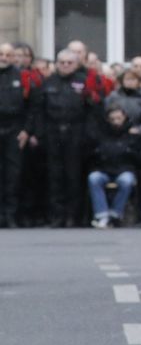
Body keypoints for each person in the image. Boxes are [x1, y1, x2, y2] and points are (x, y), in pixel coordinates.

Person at [33, 49, 97, 227]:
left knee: (73, 176)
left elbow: (91, 111)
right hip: (53, 131)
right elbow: (39, 111)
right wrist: (40, 134)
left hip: (75, 132)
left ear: (76, 64)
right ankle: (56, 215)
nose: (66, 66)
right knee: (55, 176)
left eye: (70, 62)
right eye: (62, 62)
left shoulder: (83, 82)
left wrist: (88, 135)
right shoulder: (47, 83)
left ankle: (72, 216)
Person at [86, 106, 141, 228]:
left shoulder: (132, 133)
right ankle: (102, 215)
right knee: (94, 178)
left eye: (119, 118)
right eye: (112, 119)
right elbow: (92, 154)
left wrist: (129, 152)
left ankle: (115, 213)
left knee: (126, 180)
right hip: (104, 169)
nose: (116, 122)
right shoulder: (102, 133)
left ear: (124, 118)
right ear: (108, 120)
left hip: (124, 169)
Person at [0, 43, 37, 228]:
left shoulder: (22, 77)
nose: (4, 58)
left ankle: (11, 216)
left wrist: (26, 130)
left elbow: (32, 107)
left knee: (13, 176)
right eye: (1, 54)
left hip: (15, 129)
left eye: (8, 54)